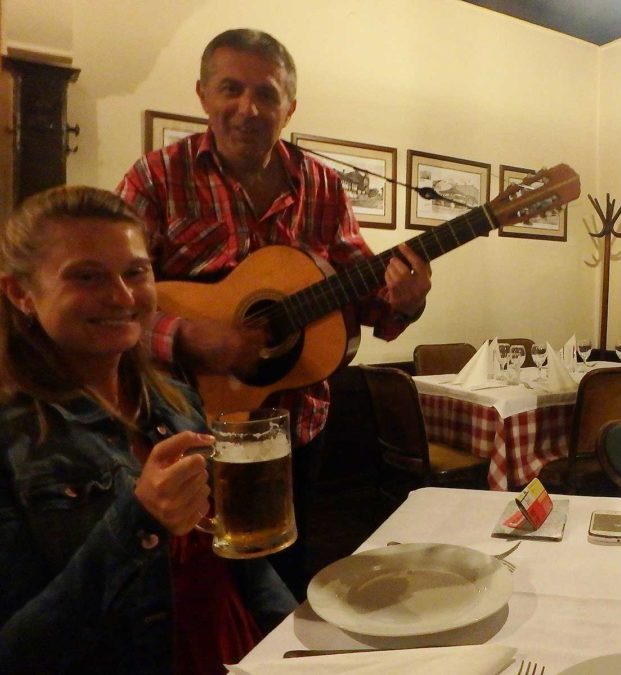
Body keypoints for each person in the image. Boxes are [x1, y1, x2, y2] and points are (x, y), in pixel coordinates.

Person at [116, 29, 432, 598]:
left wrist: (404, 302)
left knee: (286, 573)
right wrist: (190, 337)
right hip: (183, 421)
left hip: (295, 424)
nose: (248, 108)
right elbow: (115, 308)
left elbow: (368, 299)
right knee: (188, 584)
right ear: (203, 94)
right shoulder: (155, 178)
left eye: (266, 95)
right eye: (230, 89)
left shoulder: (325, 186)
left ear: (289, 108)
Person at [0, 186, 295, 674]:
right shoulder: (15, 437)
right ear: (21, 294)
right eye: (87, 276)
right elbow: (18, 652)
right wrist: (138, 520)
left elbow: (237, 555)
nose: (122, 296)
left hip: (231, 649)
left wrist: (294, 641)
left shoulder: (172, 396)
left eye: (136, 272)